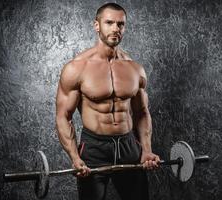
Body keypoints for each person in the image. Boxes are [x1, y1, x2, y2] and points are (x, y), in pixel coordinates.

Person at [56, 3, 160, 200]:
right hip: (94, 148)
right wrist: (75, 157)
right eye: (109, 22)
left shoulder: (134, 69)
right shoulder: (76, 68)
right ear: (97, 25)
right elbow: (63, 116)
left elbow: (142, 113)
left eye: (120, 24)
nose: (115, 29)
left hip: (129, 146)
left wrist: (146, 150)